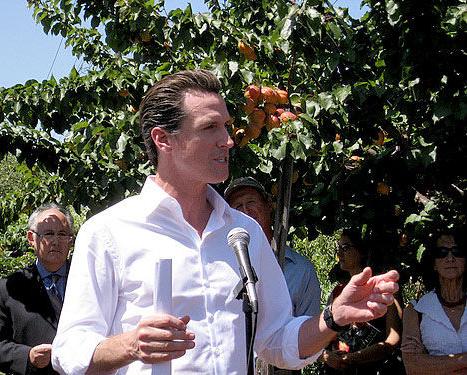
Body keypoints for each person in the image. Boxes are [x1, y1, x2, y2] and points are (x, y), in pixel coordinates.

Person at [51, 69, 399, 375]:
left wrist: (333, 318)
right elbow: (69, 350)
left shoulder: (243, 234)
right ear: (163, 139)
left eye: (228, 127)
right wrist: (130, 346)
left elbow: (275, 339)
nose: (229, 141)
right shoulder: (109, 231)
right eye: (210, 128)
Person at [0, 203, 74, 375]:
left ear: (71, 240)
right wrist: (27, 356)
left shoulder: (88, 279)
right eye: (49, 234)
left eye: (62, 234)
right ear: (31, 238)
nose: (55, 241)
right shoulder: (9, 289)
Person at [224, 176, 321, 317]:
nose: (245, 210)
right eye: (238, 206)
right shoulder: (222, 266)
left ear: (269, 205)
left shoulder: (300, 269)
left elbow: (311, 329)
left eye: (251, 202)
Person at [319, 228, 404, 374]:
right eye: (338, 248)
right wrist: (327, 357)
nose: (339, 254)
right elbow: (319, 338)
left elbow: (394, 339)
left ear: (363, 251)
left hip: (375, 369)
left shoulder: (385, 289)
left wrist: (354, 358)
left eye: (345, 248)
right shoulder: (337, 292)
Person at [401, 230, 467, 374]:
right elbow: (412, 367)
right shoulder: (415, 310)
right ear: (434, 264)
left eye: (457, 251)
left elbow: (421, 366)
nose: (450, 258)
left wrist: (428, 359)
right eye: (441, 252)